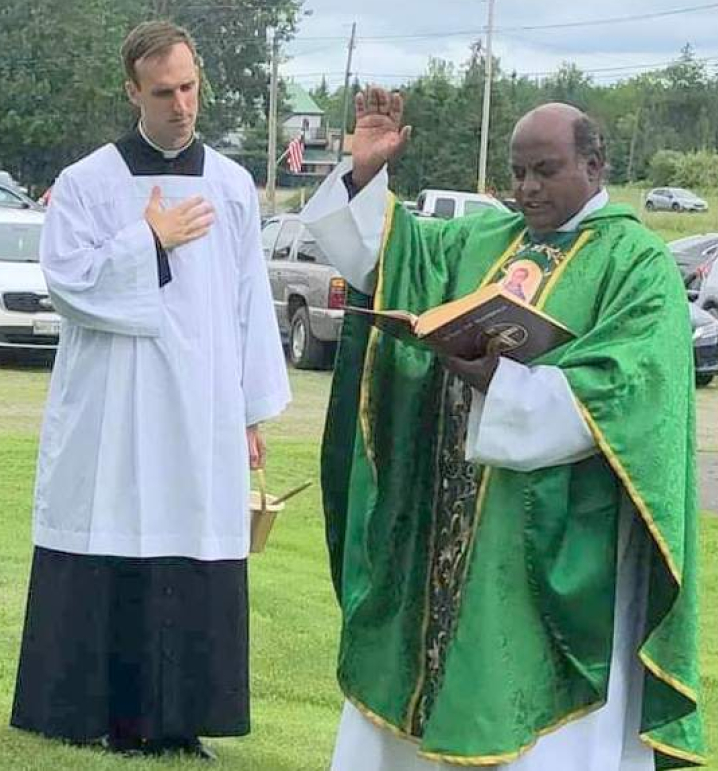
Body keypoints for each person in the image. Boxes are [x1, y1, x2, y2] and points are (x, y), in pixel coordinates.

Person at [301, 88, 703, 769]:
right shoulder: (487, 237)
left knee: (526, 713)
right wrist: (367, 173)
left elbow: (629, 391)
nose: (526, 187)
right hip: (442, 532)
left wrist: (502, 382)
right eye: (517, 171)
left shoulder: (638, 263)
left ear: (596, 166)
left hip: (555, 539)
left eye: (545, 170)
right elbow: (390, 259)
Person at [10, 20, 291, 760]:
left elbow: (249, 302)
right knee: (111, 531)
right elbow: (69, 285)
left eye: (190, 86)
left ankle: (179, 721)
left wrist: (251, 410)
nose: (182, 105)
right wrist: (149, 241)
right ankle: (96, 713)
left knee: (189, 545)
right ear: (132, 90)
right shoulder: (87, 183)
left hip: (200, 408)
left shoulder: (231, 186)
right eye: (164, 91)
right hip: (113, 403)